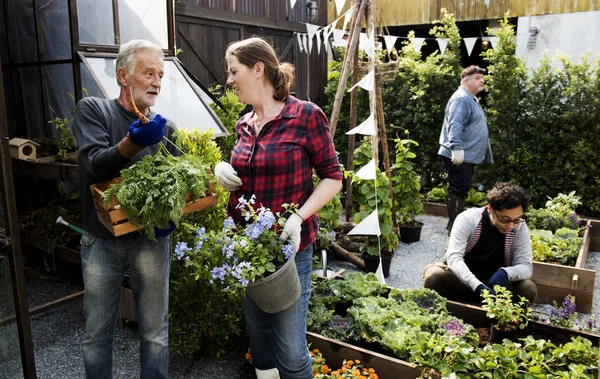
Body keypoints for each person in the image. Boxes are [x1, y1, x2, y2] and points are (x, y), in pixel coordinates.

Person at [214, 37, 343, 379]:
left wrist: (299, 216)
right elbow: (242, 175)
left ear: (258, 70)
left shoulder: (304, 116)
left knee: (289, 347)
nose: (229, 80)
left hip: (288, 248)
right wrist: (222, 171)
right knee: (259, 339)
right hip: (248, 248)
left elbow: (333, 177)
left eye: (233, 71)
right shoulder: (244, 124)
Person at [72, 39, 179, 379]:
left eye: (161, 75)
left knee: (155, 334)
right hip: (102, 240)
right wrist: (133, 142)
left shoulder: (165, 130)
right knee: (97, 334)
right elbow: (94, 166)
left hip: (151, 241)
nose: (157, 82)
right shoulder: (94, 111)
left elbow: (174, 183)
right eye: (149, 73)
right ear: (123, 75)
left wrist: (173, 211)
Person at [423, 182, 537, 304]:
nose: (510, 225)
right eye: (505, 219)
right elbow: (454, 258)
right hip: (461, 280)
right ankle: (448, 311)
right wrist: (477, 286)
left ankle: (496, 318)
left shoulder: (519, 227)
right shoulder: (468, 219)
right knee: (433, 276)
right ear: (490, 209)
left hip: (494, 286)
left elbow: (526, 266)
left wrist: (505, 273)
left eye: (516, 220)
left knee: (528, 289)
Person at [438, 65, 493, 235]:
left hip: (466, 155)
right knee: (458, 189)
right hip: (460, 154)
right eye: (477, 78)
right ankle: (455, 228)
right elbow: (456, 124)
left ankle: (453, 226)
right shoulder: (462, 98)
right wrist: (456, 148)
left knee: (460, 189)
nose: (482, 80)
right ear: (465, 80)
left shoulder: (469, 98)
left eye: (482, 78)